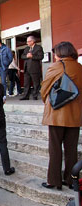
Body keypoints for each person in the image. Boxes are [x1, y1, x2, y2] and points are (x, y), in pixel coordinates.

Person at [40, 42, 82, 190]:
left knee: (55, 149)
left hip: (57, 114)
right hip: (75, 115)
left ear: (60, 53)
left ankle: (54, 181)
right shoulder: (79, 67)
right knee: (71, 150)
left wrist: (50, 102)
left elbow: (44, 90)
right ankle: (71, 180)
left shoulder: (56, 66)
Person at [20, 36, 44, 100]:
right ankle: (26, 96)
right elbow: (22, 56)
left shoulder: (38, 47)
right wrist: (27, 56)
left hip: (34, 68)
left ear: (32, 41)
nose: (27, 43)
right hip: (26, 68)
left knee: (36, 83)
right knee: (26, 83)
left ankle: (35, 95)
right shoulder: (26, 48)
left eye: (28, 41)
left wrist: (32, 56)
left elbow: (41, 57)